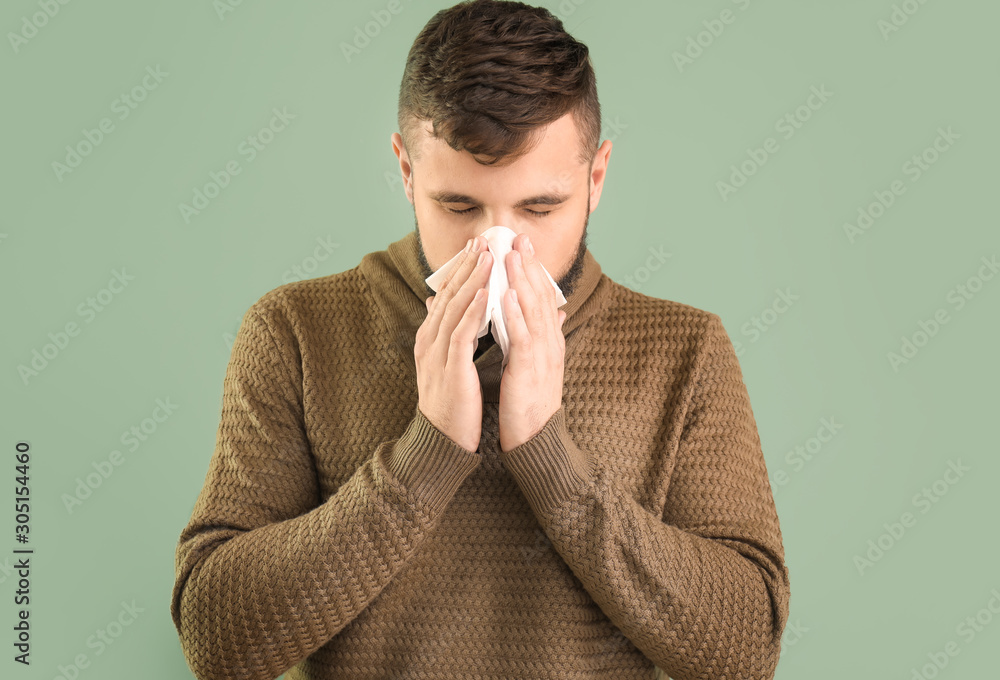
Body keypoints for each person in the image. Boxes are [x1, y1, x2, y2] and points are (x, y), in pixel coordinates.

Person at [169, 1, 790, 678]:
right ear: (407, 171)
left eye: (540, 208)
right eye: (459, 206)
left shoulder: (686, 351)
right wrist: (424, 457)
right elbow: (217, 644)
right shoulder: (295, 331)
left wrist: (550, 457)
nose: (499, 249)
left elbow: (747, 650)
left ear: (596, 178)